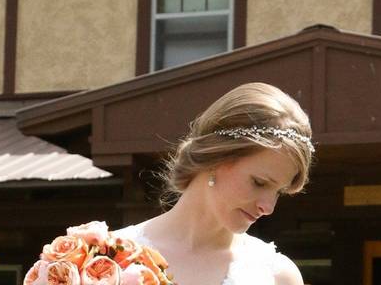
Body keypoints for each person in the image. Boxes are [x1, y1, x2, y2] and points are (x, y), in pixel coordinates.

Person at [114, 82, 315, 285]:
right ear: (216, 158)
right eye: (259, 183)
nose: (268, 208)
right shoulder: (103, 256)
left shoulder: (277, 276)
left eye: (279, 192)